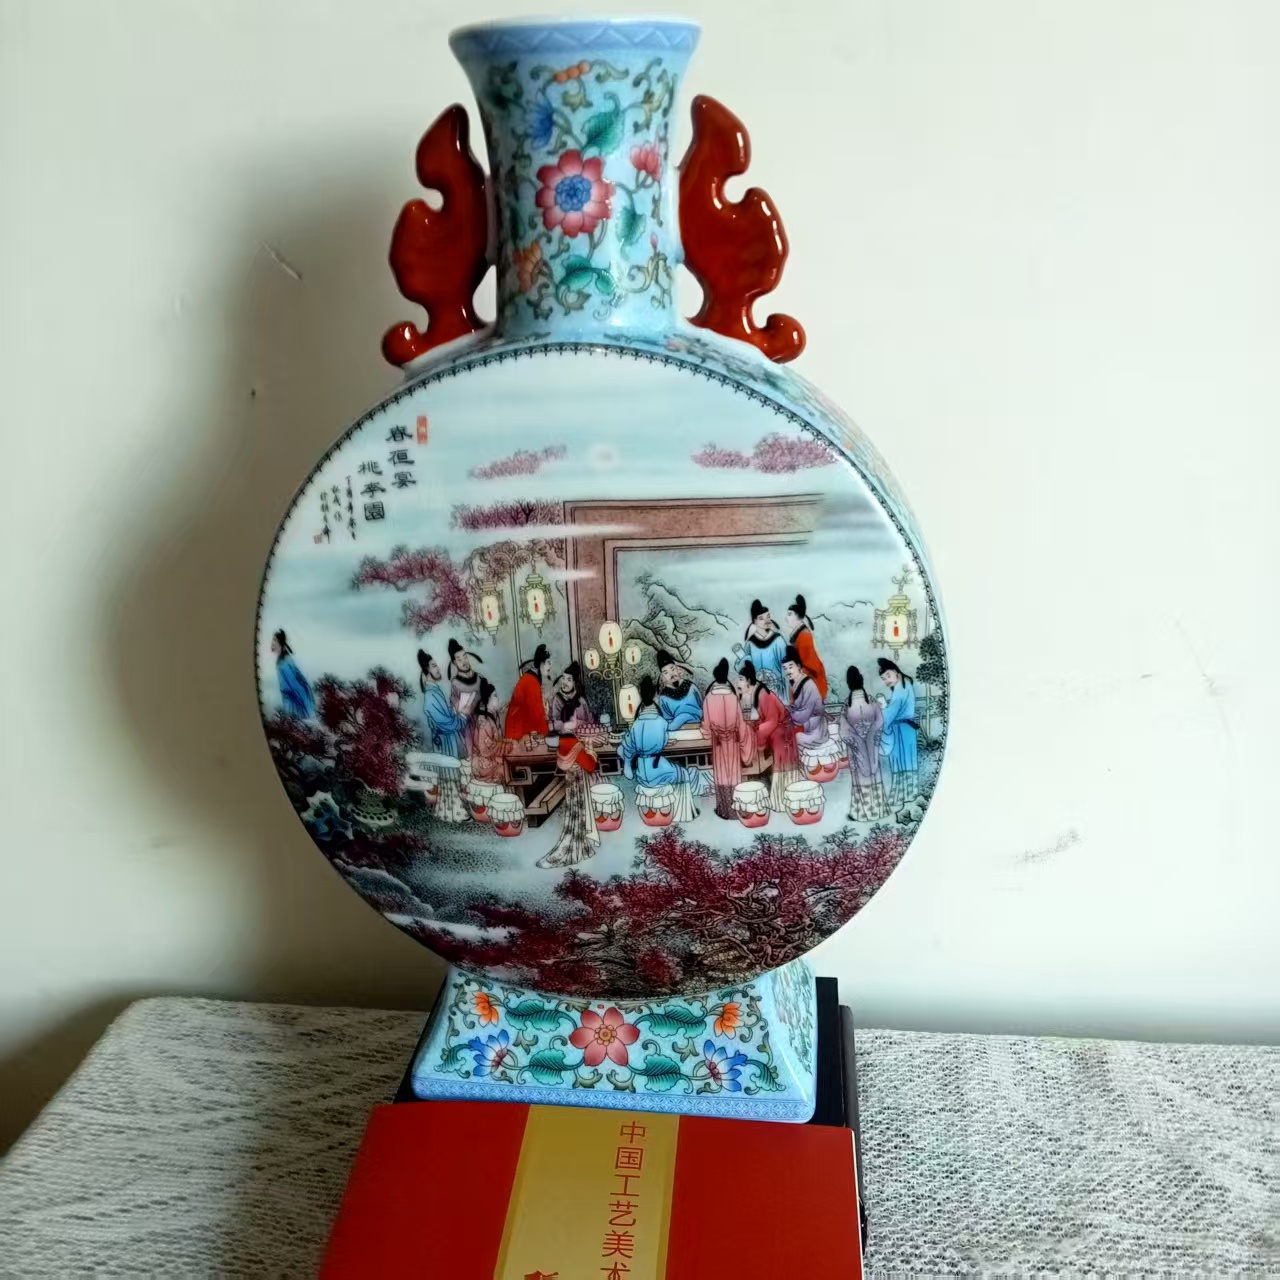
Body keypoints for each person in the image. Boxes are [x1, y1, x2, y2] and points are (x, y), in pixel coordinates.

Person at [618, 675, 707, 821]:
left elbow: (628, 746)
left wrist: (628, 763)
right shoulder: (661, 721)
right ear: (655, 696)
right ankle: (682, 814)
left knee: (677, 769)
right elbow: (663, 739)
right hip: (657, 769)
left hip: (642, 769)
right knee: (683, 773)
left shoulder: (636, 723)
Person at [736, 660, 801, 813]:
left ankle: (783, 802)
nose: (738, 683)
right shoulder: (756, 692)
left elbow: (771, 721)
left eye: (741, 679)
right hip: (777, 732)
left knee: (783, 767)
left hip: (782, 733)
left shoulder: (763, 695)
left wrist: (756, 739)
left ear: (749, 681)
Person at [536, 735, 601, 869]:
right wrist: (590, 749)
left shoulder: (562, 744)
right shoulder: (576, 746)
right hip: (579, 781)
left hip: (571, 780)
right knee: (579, 813)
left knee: (574, 813)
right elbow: (590, 766)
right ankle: (574, 848)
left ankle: (582, 845)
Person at [701, 657, 754, 819]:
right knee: (734, 774)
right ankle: (736, 810)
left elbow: (706, 726)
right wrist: (745, 740)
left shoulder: (709, 698)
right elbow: (741, 723)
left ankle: (724, 810)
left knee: (721, 775)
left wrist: (706, 732)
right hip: (733, 741)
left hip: (718, 742)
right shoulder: (733, 697)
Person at [839, 665, 886, 821]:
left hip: (856, 749)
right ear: (861, 680)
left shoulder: (846, 705)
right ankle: (878, 810)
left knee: (859, 778)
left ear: (848, 683)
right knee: (874, 774)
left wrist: (857, 741)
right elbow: (879, 721)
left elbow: (844, 731)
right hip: (872, 745)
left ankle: (862, 812)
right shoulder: (871, 701)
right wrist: (871, 735)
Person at [878, 658, 919, 807]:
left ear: (896, 671)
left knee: (900, 761)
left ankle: (900, 796)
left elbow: (890, 714)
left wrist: (883, 706)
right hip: (907, 729)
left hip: (900, 729)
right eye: (883, 679)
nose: (886, 681)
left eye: (888, 676)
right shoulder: (905, 684)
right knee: (908, 760)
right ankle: (910, 793)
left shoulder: (900, 689)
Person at [734, 600, 788, 704]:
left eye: (768, 617)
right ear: (755, 621)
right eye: (761, 618)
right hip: (758, 690)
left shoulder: (778, 640)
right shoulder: (750, 643)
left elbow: (785, 667)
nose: (766, 621)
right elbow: (741, 668)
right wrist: (745, 659)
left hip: (777, 690)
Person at [417, 650, 468, 757]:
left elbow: (445, 713)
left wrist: (455, 709)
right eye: (434, 666)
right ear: (427, 669)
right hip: (444, 741)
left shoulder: (435, 690)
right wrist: (462, 717)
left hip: (448, 738)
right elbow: (446, 722)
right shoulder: (430, 695)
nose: (438, 669)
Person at [504, 643, 552, 743]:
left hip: (519, 731)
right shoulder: (531, 682)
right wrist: (547, 735)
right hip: (518, 735)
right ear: (541, 663)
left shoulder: (530, 679)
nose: (550, 666)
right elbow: (537, 715)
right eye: (548, 662)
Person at [784, 645, 827, 752]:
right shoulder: (793, 684)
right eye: (785, 668)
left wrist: (790, 714)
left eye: (790, 667)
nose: (788, 671)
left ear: (798, 666)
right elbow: (796, 707)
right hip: (803, 722)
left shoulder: (808, 684)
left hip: (815, 726)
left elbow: (805, 713)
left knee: (794, 738)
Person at [785, 595, 827, 700]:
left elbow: (810, 666)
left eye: (790, 614)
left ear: (797, 615)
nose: (786, 618)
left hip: (812, 684)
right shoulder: (799, 635)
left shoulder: (804, 636)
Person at [470, 678, 510, 784]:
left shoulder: (493, 715)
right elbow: (484, 750)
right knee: (508, 770)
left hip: (493, 757)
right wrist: (502, 745)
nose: (498, 698)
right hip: (484, 763)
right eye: (495, 696)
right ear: (488, 698)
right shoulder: (484, 722)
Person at [447, 638, 484, 751]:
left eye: (465, 657)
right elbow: (456, 710)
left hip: (485, 724)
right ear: (454, 663)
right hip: (469, 728)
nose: (464, 662)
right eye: (459, 659)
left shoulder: (479, 678)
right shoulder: (455, 684)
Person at [654, 650, 703, 729]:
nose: (671, 674)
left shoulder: (691, 686)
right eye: (666, 672)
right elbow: (667, 720)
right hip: (678, 731)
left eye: (672, 669)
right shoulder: (663, 697)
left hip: (698, 726)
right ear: (662, 675)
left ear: (677, 668)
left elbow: (701, 706)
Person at [272, 629, 315, 719]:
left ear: (280, 643)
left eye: (274, 640)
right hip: (291, 698)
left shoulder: (284, 663)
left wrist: (307, 708)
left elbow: (295, 685)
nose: (272, 643)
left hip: (293, 700)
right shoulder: (281, 660)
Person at [549, 661, 593, 734]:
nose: (565, 682)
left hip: (581, 734)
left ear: (574, 683)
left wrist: (577, 723)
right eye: (563, 678)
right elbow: (555, 722)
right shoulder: (557, 699)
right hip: (563, 736)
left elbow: (588, 721)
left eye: (569, 680)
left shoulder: (580, 700)